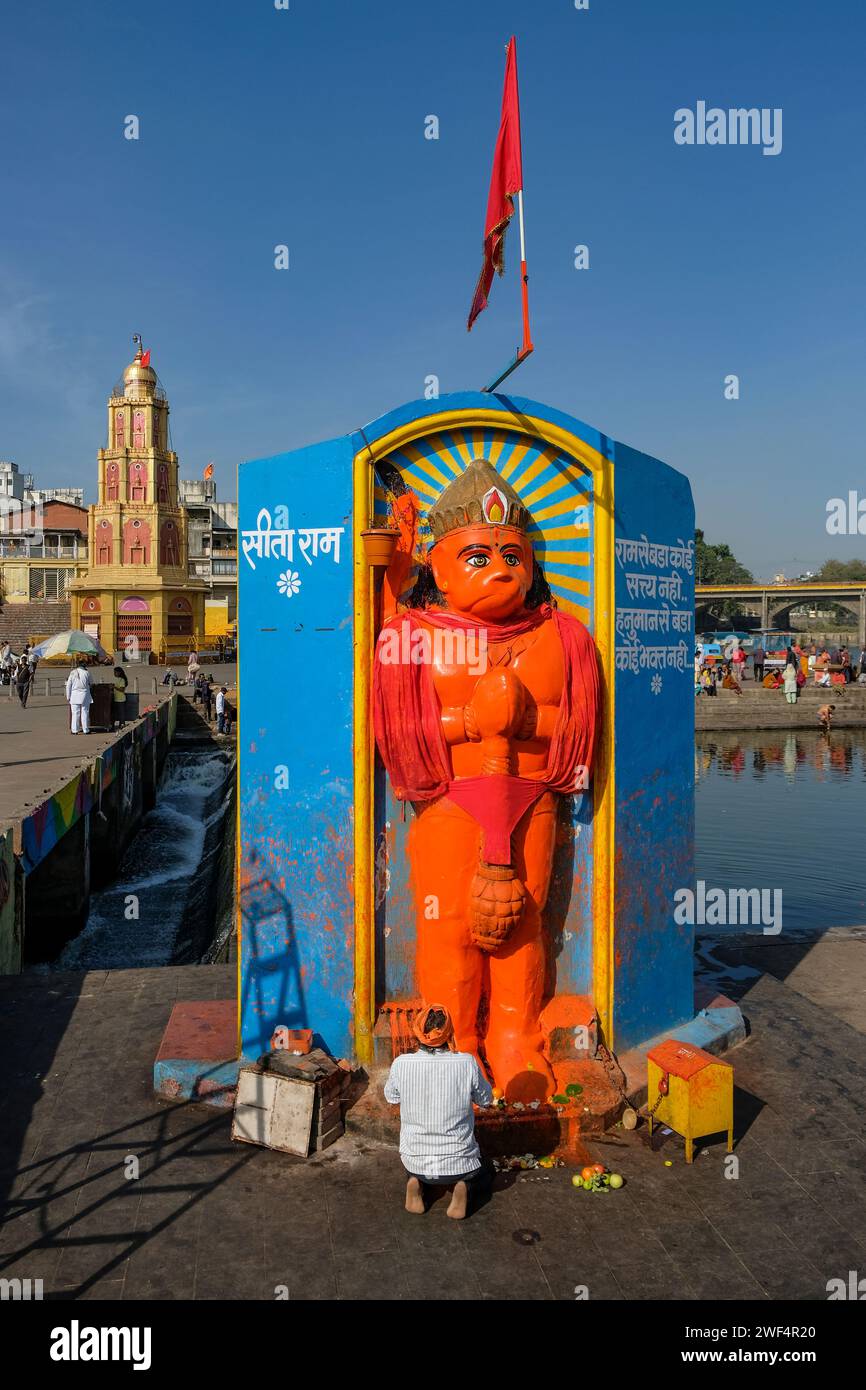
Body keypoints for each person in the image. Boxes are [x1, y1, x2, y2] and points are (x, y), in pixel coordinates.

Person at [383, 1003, 493, 1220]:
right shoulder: (466, 1062)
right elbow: (486, 1100)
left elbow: (391, 1097)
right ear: (449, 1032)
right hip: (460, 1161)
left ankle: (415, 1181)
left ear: (417, 1033)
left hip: (415, 1158)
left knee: (414, 1166)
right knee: (486, 1169)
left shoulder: (401, 1063)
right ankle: (464, 1185)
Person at [65, 659, 93, 733]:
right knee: (85, 712)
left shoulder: (72, 672)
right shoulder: (87, 673)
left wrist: (68, 696)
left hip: (74, 694)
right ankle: (85, 729)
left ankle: (74, 730)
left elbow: (68, 685)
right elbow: (91, 682)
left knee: (75, 713)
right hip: (85, 694)